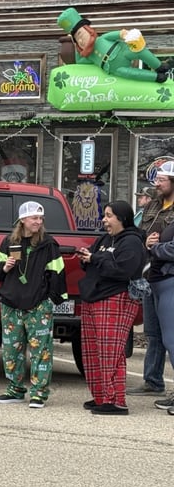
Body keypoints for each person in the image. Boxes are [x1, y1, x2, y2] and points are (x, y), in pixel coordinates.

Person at [0, 201, 67, 408]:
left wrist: (51, 299)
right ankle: (15, 390)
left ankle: (39, 393)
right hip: (11, 304)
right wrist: (5, 267)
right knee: (11, 350)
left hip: (38, 305)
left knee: (41, 351)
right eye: (34, 218)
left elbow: (57, 273)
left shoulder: (48, 244)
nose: (38, 222)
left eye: (41, 218)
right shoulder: (9, 242)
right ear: (23, 220)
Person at [77, 201, 146, 415]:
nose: (104, 220)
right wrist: (86, 258)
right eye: (104, 215)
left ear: (122, 218)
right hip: (93, 297)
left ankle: (116, 401)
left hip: (116, 298)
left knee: (111, 351)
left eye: (109, 216)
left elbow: (124, 269)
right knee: (92, 350)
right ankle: (100, 396)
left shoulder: (132, 242)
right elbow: (93, 258)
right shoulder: (105, 239)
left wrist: (96, 258)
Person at [128, 160, 174, 398]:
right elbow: (139, 233)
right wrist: (143, 242)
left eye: (161, 180)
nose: (156, 184)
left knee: (171, 335)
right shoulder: (152, 204)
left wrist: (156, 249)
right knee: (153, 333)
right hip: (150, 277)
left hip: (170, 277)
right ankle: (153, 381)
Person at [147, 218, 174, 415]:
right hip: (159, 283)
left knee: (172, 341)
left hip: (170, 283)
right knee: (167, 340)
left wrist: (155, 248)